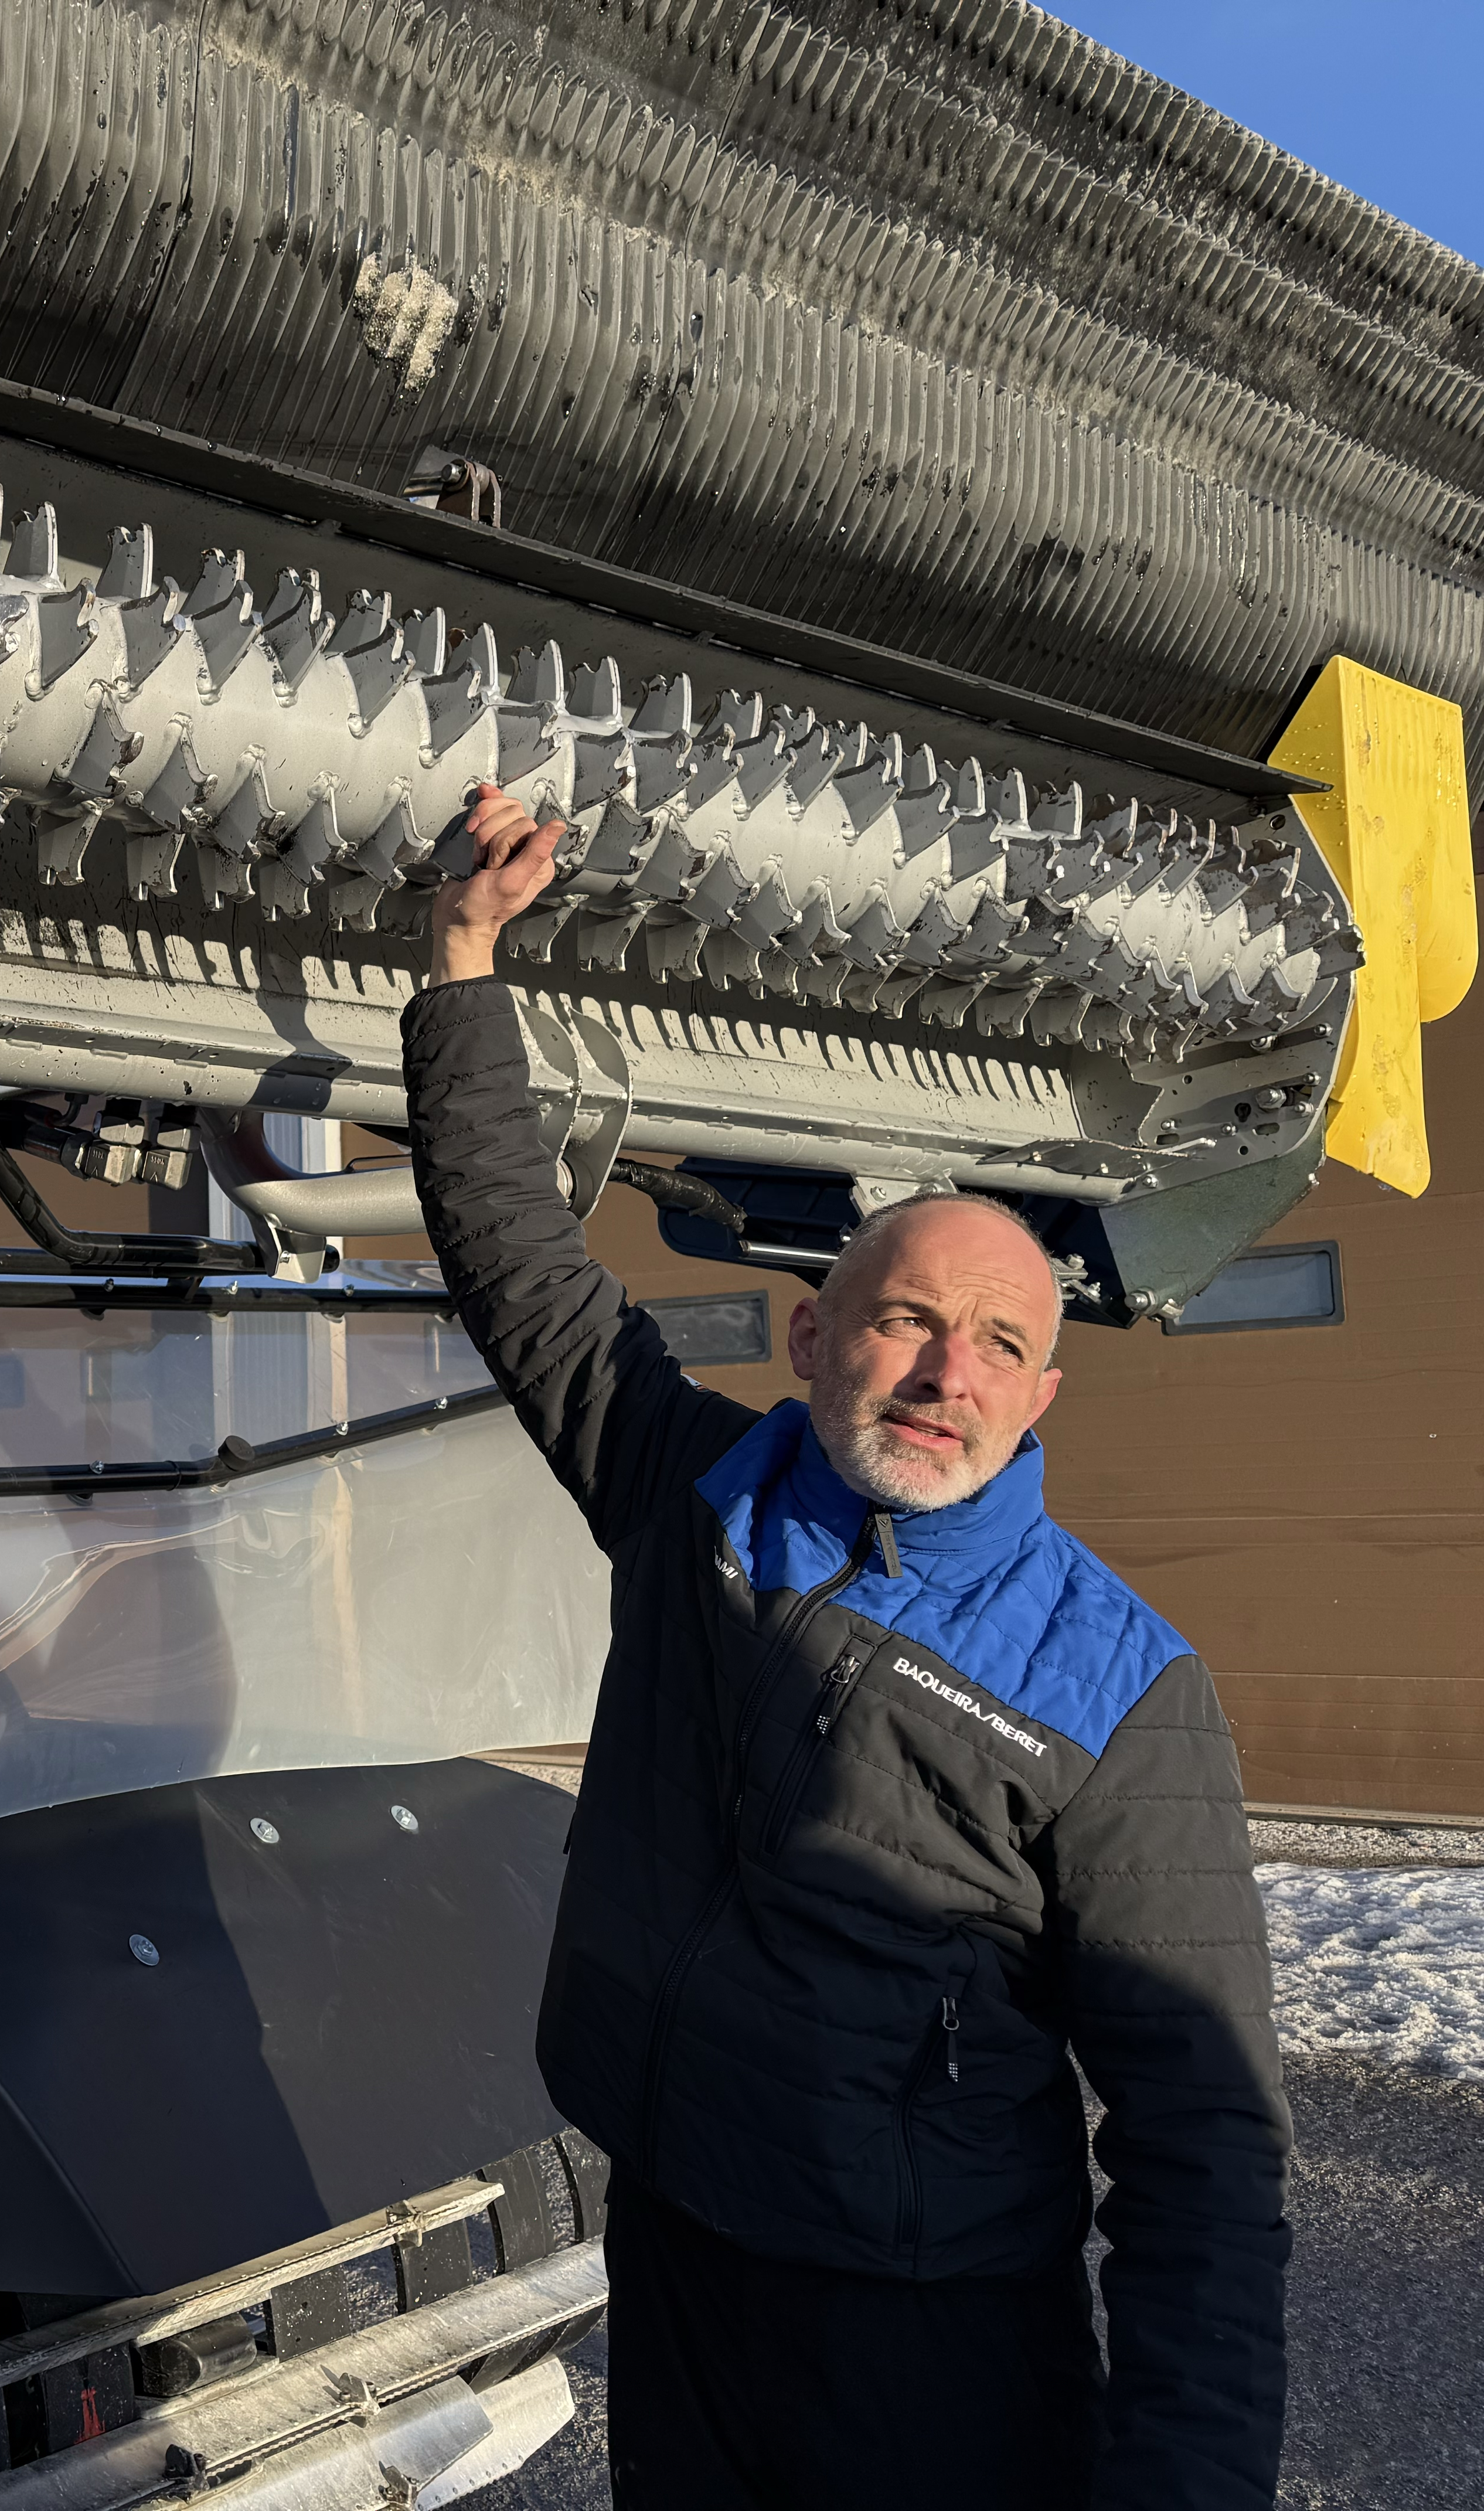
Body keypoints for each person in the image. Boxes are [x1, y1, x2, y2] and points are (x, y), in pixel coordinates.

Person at [403, 783, 1289, 2509]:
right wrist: (460, 963)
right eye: (906, 1320)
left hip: (929, 2343)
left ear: (1044, 1390)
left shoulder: (1121, 1689)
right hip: (680, 2246)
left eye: (996, 1343)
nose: (946, 1373)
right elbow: (522, 1264)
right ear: (814, 1336)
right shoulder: (700, 1493)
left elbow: (1205, 2149)